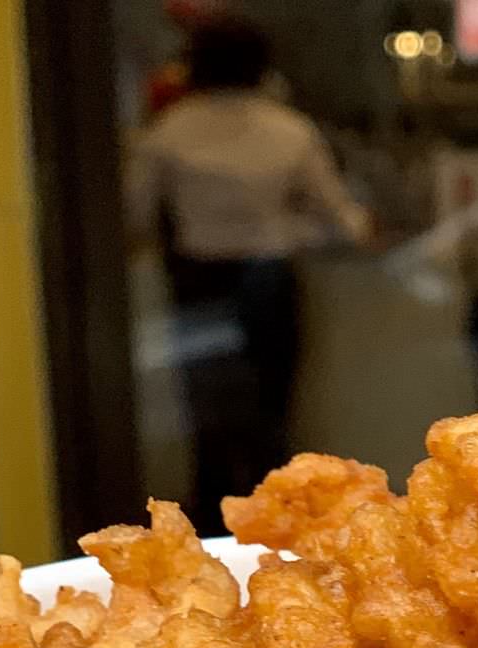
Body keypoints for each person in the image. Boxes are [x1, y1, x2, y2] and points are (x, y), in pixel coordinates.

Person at [127, 17, 370, 517]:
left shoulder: (169, 130)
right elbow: (345, 222)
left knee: (206, 418)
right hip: (269, 278)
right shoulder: (289, 130)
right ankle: (276, 524)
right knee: (272, 416)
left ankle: (210, 529)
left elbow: (132, 212)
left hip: (197, 279)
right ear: (262, 66)